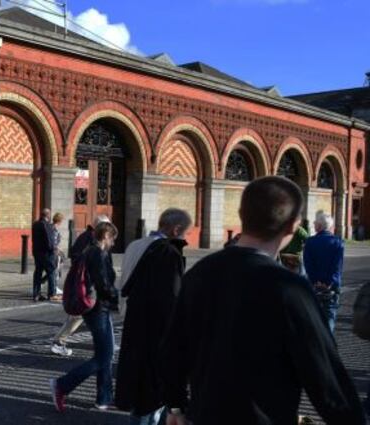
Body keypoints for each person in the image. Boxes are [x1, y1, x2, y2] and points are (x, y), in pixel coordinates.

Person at [161, 176, 365, 425]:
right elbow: (326, 378)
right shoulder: (289, 288)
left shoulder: (200, 273)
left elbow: (172, 348)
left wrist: (175, 405)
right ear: (292, 226)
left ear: (241, 215)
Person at [114, 208, 191, 424]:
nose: (186, 238)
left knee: (140, 390)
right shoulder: (167, 252)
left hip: (132, 319)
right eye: (186, 233)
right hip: (155, 331)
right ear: (176, 229)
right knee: (151, 395)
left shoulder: (134, 245)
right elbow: (170, 300)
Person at [50, 221, 119, 412]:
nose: (113, 243)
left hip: (92, 308)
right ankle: (62, 385)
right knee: (104, 356)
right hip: (98, 309)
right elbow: (103, 283)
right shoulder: (98, 253)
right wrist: (117, 299)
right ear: (106, 236)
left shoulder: (89, 250)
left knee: (103, 353)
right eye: (113, 238)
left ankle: (104, 398)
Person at [50, 215, 111, 357]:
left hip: (85, 283)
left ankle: (101, 344)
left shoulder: (88, 236)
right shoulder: (91, 238)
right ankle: (59, 342)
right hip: (86, 284)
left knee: (87, 314)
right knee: (80, 314)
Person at [303, 211, 345, 334]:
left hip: (313, 285)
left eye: (315, 223)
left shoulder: (310, 242)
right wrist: (329, 283)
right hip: (332, 286)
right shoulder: (338, 242)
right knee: (330, 316)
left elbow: (308, 265)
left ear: (319, 226)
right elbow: (337, 266)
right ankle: (328, 346)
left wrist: (316, 281)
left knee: (313, 316)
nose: (314, 225)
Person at [32, 208, 59, 302]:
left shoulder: (35, 224)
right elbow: (49, 239)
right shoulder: (46, 225)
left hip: (37, 252)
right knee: (51, 272)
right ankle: (52, 293)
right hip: (46, 253)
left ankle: (36, 294)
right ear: (48, 215)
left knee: (38, 273)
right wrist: (53, 249)